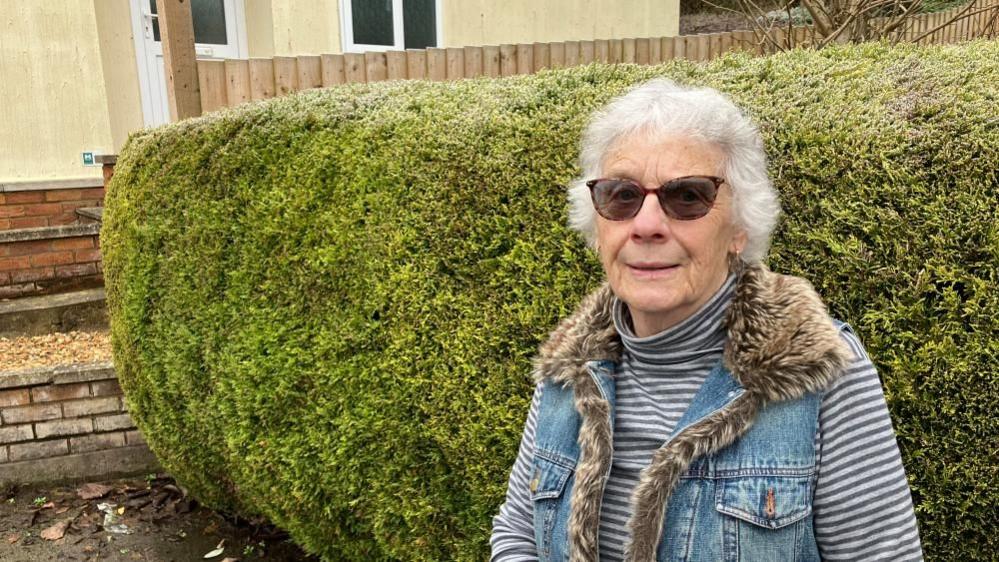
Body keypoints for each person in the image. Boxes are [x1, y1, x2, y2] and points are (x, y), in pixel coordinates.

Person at [490, 79, 923, 562]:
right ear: (597, 228)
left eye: (689, 196)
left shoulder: (817, 368)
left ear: (739, 228)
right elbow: (517, 532)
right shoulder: (569, 366)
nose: (647, 224)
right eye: (621, 195)